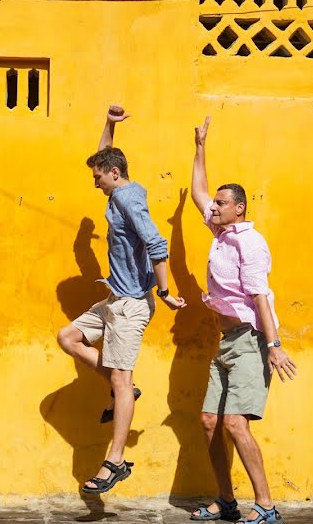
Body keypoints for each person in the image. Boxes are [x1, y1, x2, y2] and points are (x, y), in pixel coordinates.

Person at [57, 105, 186, 494]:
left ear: (114, 175)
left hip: (131, 304)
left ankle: (114, 461)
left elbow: (156, 242)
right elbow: (103, 158)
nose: (94, 182)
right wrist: (109, 126)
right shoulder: (117, 190)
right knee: (69, 338)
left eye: (98, 177)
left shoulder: (129, 200)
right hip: (114, 298)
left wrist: (164, 292)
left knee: (121, 376)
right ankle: (122, 390)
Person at [187, 117, 297, 524]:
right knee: (209, 422)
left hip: (251, 339)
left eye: (220, 204)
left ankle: (266, 505)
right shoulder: (220, 234)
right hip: (226, 340)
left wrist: (274, 345)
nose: (212, 207)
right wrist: (200, 146)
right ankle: (226, 501)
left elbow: (260, 296)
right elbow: (199, 190)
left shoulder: (249, 242)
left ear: (239, 208)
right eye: (214, 204)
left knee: (235, 423)